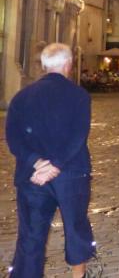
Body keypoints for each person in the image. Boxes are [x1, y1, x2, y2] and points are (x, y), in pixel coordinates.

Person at [5, 43, 97, 278]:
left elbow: (13, 138)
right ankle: (78, 275)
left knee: (31, 235)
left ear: (44, 66)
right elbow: (78, 136)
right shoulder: (78, 95)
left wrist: (36, 162)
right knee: (75, 227)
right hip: (71, 173)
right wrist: (56, 164)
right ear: (68, 64)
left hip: (32, 176)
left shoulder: (21, 97)